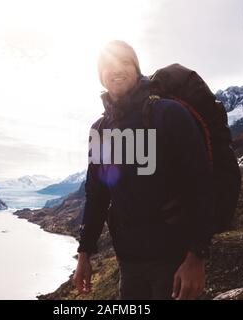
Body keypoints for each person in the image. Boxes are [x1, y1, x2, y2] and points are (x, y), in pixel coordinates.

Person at [73, 40, 215, 300]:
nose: (116, 69)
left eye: (125, 62)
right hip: (129, 262)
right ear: (101, 77)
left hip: (174, 261)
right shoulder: (101, 130)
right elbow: (97, 195)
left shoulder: (168, 114)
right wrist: (84, 255)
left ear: (137, 69)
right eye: (107, 65)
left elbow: (202, 185)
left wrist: (197, 257)